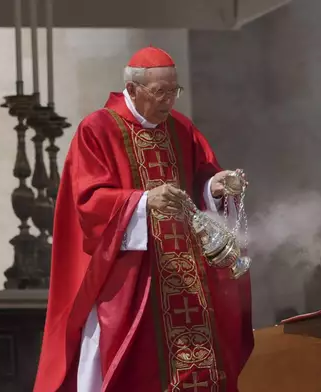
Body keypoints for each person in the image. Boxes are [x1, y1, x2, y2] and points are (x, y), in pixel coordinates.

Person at [34, 46, 253, 392]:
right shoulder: (98, 129)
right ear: (133, 89)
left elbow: (197, 184)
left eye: (174, 91)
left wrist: (215, 185)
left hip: (188, 278)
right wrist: (143, 201)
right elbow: (88, 203)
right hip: (133, 280)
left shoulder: (181, 129)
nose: (169, 101)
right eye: (160, 92)